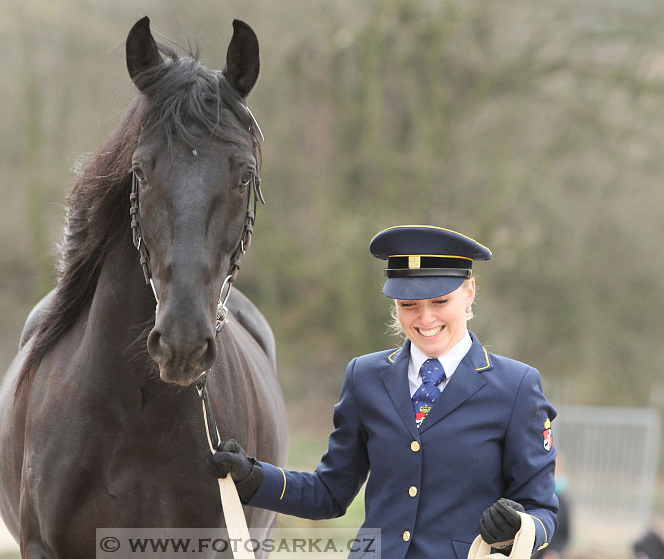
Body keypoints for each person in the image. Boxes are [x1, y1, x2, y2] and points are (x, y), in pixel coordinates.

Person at [212, 225, 559, 559]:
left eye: (439, 302)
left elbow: (542, 510)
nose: (425, 319)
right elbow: (330, 493)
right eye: (408, 305)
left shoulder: (517, 387)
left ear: (468, 292)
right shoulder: (364, 376)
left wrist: (518, 528)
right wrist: (255, 478)